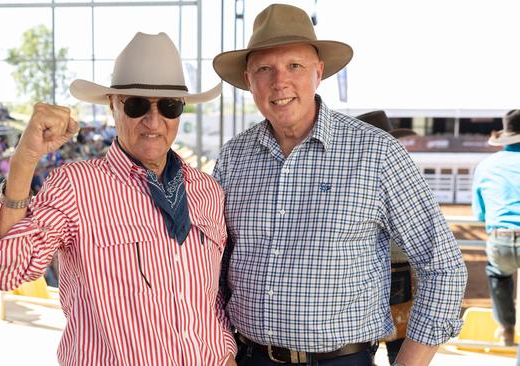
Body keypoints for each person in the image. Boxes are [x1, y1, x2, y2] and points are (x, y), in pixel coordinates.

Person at [212, 4, 467, 366]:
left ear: (319, 72)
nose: (279, 82)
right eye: (265, 69)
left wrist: (410, 362)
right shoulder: (234, 156)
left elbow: (443, 267)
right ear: (249, 80)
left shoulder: (376, 153)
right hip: (248, 355)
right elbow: (216, 264)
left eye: (294, 66)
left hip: (340, 360)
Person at [0, 32, 236, 365]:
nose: (153, 122)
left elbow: (211, 298)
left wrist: (226, 352)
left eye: (169, 106)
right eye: (137, 104)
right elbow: (4, 272)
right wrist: (25, 158)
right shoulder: (76, 186)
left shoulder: (206, 191)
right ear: (113, 105)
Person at [356, 110, 417, 365]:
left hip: (369, 271)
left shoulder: (356, 169)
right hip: (397, 269)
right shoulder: (399, 168)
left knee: (362, 345)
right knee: (397, 345)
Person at [472, 109, 520, 350]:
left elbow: (480, 214)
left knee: (498, 274)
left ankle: (506, 328)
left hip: (500, 239)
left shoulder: (486, 166)